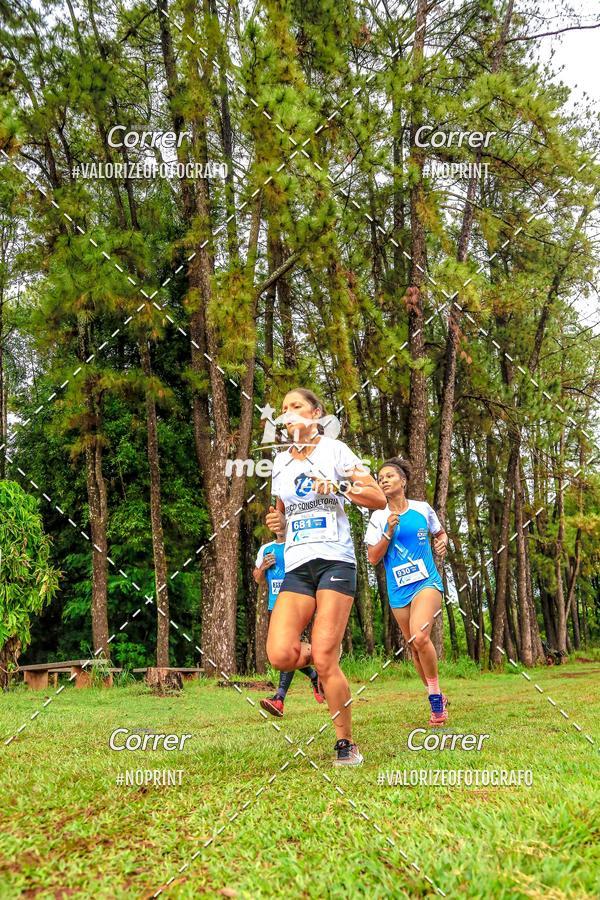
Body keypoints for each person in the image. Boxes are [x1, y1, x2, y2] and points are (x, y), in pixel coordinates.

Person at [265, 387, 386, 765]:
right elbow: (281, 517)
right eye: (284, 409)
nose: (288, 414)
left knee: (326, 657)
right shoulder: (280, 463)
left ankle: (346, 743)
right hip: (297, 564)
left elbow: (378, 498)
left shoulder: (336, 450)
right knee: (280, 653)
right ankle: (316, 665)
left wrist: (342, 486)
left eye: (296, 406)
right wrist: (277, 524)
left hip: (335, 561)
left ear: (315, 414)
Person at [365, 457, 450, 726]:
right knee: (414, 646)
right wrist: (388, 532)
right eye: (380, 478)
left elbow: (441, 534)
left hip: (427, 583)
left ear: (403, 481)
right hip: (398, 590)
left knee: (419, 636)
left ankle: (435, 702)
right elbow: (373, 558)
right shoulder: (378, 518)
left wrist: (443, 544)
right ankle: (436, 693)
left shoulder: (422, 509)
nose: (384, 480)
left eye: (389, 476)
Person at [253, 536, 324, 716]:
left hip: (298, 604)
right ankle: (317, 674)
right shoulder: (266, 548)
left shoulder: (299, 544)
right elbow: (258, 579)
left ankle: (279, 698)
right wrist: (263, 568)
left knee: (288, 648)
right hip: (274, 607)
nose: (276, 523)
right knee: (283, 651)